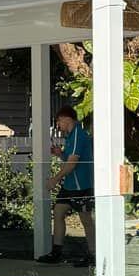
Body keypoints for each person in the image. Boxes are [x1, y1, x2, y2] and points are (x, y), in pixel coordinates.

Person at [39, 105, 94, 266]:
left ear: (66, 119)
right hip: (70, 185)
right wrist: (60, 154)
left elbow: (72, 164)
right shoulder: (70, 136)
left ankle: (94, 254)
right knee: (58, 212)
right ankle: (57, 252)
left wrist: (55, 179)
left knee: (86, 220)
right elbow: (68, 159)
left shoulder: (78, 134)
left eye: (58, 122)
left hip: (81, 186)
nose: (58, 125)